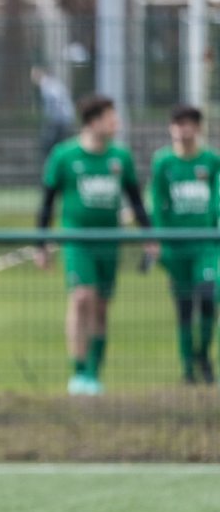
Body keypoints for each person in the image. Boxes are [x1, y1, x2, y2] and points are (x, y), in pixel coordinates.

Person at [35, 94, 157, 396]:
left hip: (109, 242)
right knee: (80, 298)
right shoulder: (64, 156)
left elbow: (136, 201)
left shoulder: (120, 157)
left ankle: (93, 373)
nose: (116, 124)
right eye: (111, 118)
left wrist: (149, 236)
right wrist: (41, 243)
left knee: (101, 307)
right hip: (77, 241)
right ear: (93, 122)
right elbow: (47, 202)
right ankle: (77, 374)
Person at [149, 104, 220, 384]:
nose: (184, 129)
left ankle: (203, 355)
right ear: (171, 128)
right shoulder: (163, 162)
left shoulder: (211, 161)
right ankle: (187, 368)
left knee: (207, 299)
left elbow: (216, 201)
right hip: (174, 247)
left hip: (205, 245)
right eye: (178, 124)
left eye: (189, 123)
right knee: (183, 306)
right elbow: (157, 202)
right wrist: (156, 239)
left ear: (198, 128)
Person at [31, 65, 75, 161]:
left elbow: (55, 99)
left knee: (51, 144)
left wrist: (51, 115)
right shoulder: (51, 83)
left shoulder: (46, 84)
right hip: (62, 118)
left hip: (60, 119)